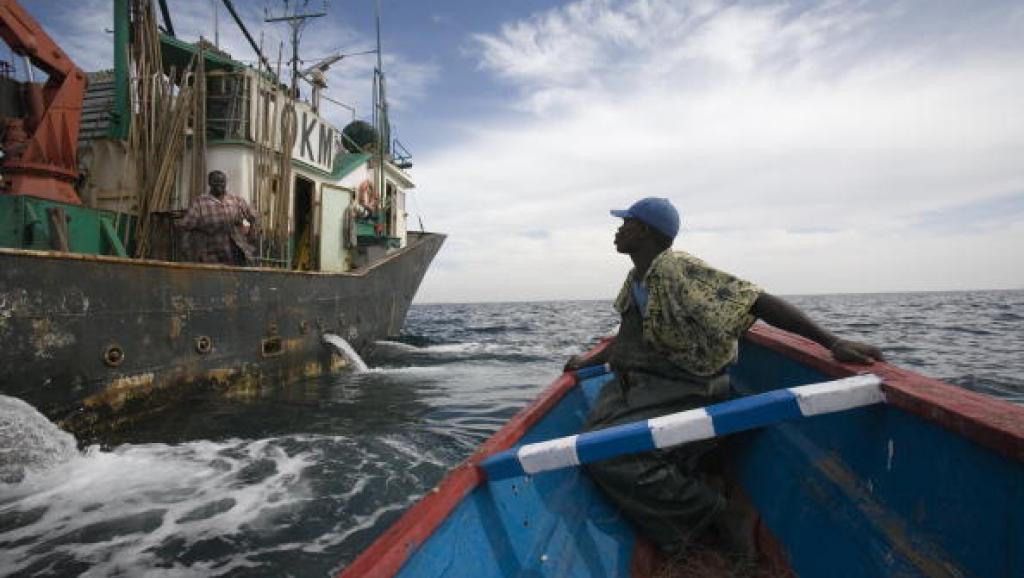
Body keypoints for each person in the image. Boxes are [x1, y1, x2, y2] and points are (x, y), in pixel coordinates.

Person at [564, 197, 883, 557]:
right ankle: (685, 467)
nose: (619, 229)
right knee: (592, 433)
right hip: (652, 380)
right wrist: (588, 359)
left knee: (606, 454)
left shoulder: (676, 267)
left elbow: (755, 301)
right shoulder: (637, 277)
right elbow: (628, 334)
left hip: (692, 384)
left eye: (627, 222)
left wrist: (833, 342)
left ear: (647, 231)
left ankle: (718, 512)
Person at [176, 170, 258, 266]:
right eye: (216, 182)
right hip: (212, 254)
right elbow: (185, 227)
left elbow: (253, 217)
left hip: (237, 252)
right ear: (209, 183)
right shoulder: (200, 203)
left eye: (222, 182)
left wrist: (251, 234)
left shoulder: (236, 200)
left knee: (237, 279)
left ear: (226, 183)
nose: (219, 184)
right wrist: (186, 247)